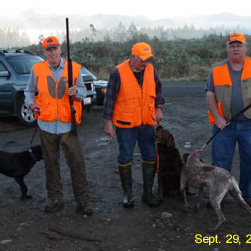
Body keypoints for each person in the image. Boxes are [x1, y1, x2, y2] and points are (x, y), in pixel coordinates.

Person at [206, 33, 251, 211]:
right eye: (232, 45)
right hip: (224, 126)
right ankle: (219, 196)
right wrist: (217, 118)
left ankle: (247, 196)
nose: (235, 48)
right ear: (227, 48)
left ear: (246, 47)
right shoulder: (216, 69)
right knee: (220, 164)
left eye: (239, 45)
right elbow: (210, 94)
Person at [24, 36, 92, 216]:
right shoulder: (37, 69)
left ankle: (83, 201)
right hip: (46, 125)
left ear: (60, 49)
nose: (52, 52)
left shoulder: (74, 68)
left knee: (77, 164)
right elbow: (29, 91)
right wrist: (31, 104)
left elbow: (84, 91)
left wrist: (76, 92)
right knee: (50, 164)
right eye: (48, 49)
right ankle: (55, 199)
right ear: (44, 52)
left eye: (54, 48)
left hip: (68, 125)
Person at [104, 42, 164, 208]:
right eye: (142, 59)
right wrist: (108, 122)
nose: (145, 62)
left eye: (147, 59)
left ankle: (148, 192)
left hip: (147, 123)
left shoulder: (151, 71)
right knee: (125, 157)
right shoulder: (118, 72)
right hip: (125, 125)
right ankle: (128, 194)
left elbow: (158, 90)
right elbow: (109, 99)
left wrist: (158, 108)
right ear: (133, 57)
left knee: (150, 156)